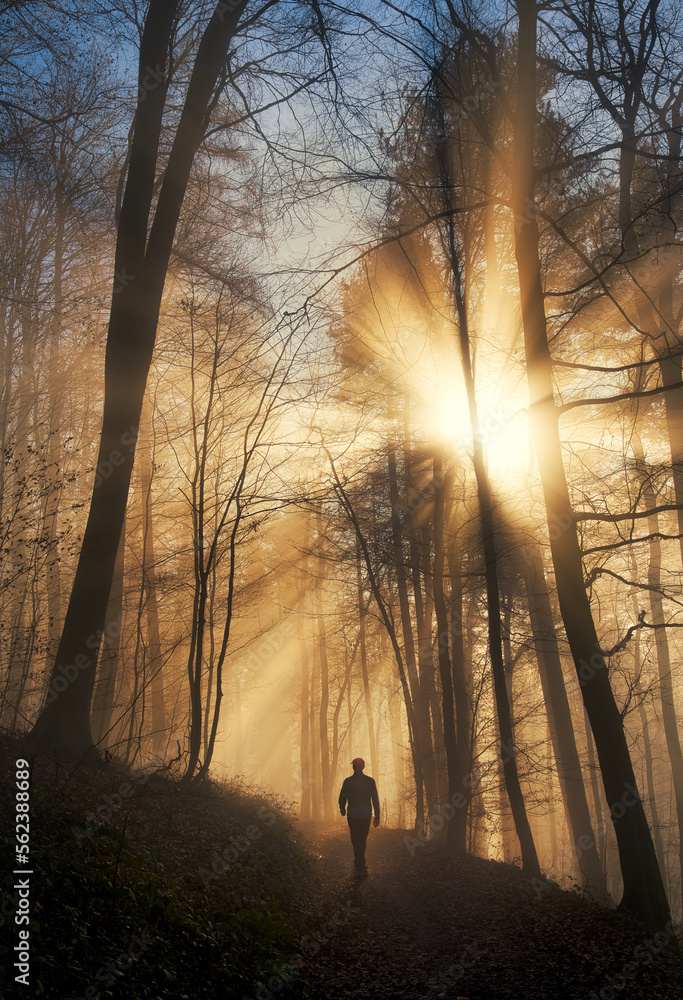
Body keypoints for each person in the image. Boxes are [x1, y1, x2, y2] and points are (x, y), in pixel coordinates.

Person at [338, 757, 380, 871]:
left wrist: (342, 808)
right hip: (366, 814)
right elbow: (375, 799)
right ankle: (360, 860)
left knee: (355, 839)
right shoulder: (370, 781)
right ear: (363, 767)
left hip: (353, 815)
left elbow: (342, 797)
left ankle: (360, 861)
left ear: (353, 767)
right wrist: (377, 816)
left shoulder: (348, 781)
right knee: (362, 838)